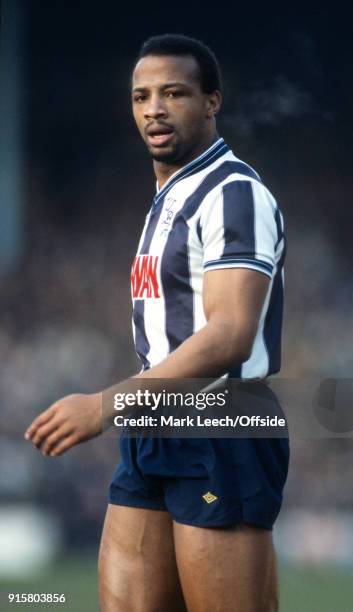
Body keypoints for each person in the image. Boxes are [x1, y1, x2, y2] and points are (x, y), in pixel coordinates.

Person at [25, 34, 289, 611]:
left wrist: (102, 406)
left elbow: (229, 335)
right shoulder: (167, 198)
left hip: (224, 420)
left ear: (212, 101)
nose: (155, 109)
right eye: (142, 96)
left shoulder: (233, 192)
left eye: (174, 93)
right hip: (156, 421)